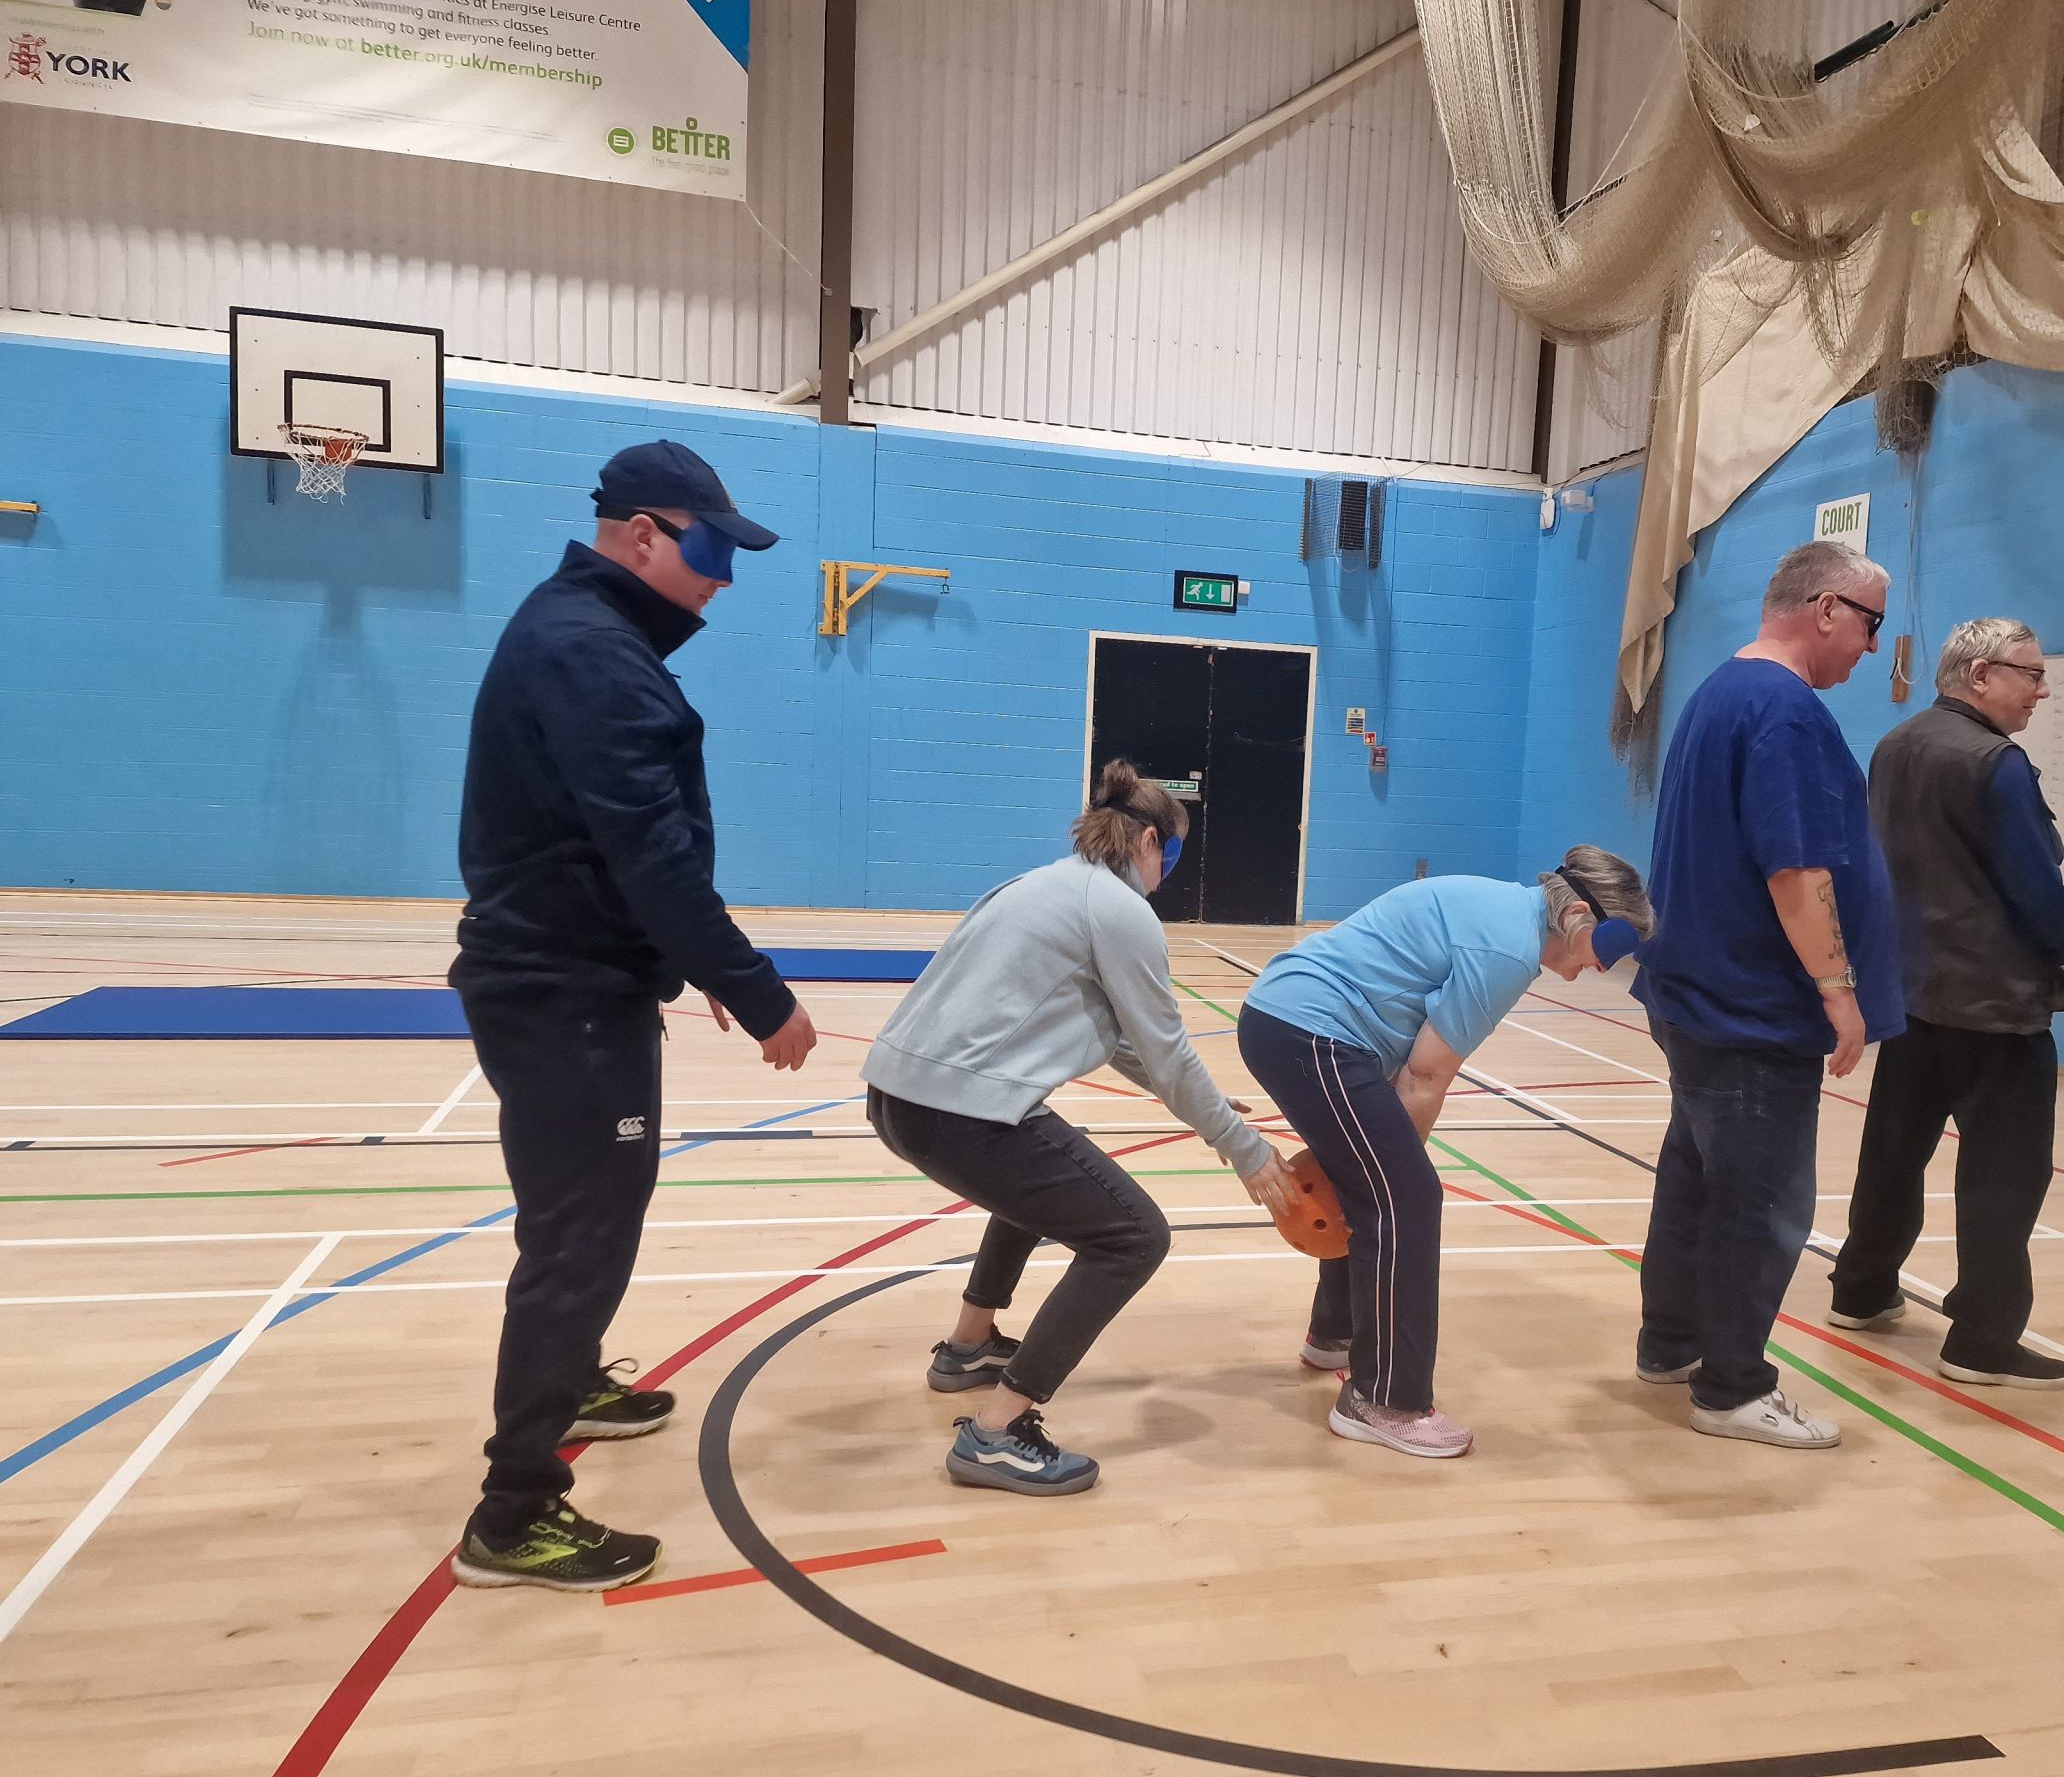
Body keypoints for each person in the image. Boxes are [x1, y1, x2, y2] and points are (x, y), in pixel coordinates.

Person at [447, 440, 818, 1592]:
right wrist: (755, 989)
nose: (722, 579)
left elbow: (615, 850)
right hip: (566, 997)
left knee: (587, 1216)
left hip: (571, 983)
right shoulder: (594, 653)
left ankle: (571, 1388)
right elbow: (649, 856)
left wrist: (677, 956)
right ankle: (514, 1513)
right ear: (644, 534)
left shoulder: (581, 631)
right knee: (581, 1235)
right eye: (711, 551)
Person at [863, 762, 1300, 1498]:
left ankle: (969, 1348)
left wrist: (1207, 1104)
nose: (1169, 872)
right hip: (958, 1112)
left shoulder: (1038, 884)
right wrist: (1243, 1148)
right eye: (1173, 854)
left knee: (1040, 1180)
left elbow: (1133, 1046)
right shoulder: (1121, 911)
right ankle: (998, 1434)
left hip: (896, 1096)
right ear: (1150, 842)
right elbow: (1168, 1052)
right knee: (1133, 1236)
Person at [1239, 848, 1655, 1459]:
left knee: (1377, 1189)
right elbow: (1425, 1077)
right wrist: (1397, 1178)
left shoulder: (1505, 910)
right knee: (1406, 1199)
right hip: (1311, 1033)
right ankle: (1383, 1402)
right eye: (1611, 948)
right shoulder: (1508, 950)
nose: (1604, 966)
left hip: (1292, 1024)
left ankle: (1334, 1337)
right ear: (1580, 918)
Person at [1629, 540, 1904, 1450]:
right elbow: (1796, 870)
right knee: (1762, 1204)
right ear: (1826, 609)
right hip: (1750, 1009)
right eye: (1869, 623)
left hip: (1696, 995)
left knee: (1695, 1180)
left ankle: (1672, 1344)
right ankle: (1733, 1388)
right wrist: (1839, 990)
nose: (1872, 647)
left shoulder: (1720, 691)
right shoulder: (1784, 711)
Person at [1828, 619, 2064, 1388]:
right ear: (1981, 675)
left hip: (1911, 990)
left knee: (1893, 1151)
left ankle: (1861, 1288)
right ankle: (1982, 1339)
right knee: (2005, 1174)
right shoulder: (1997, 763)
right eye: (2031, 674)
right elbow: (2034, 885)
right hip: (1994, 1004)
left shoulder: (1897, 745)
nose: (2042, 690)